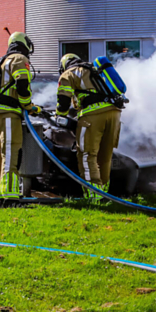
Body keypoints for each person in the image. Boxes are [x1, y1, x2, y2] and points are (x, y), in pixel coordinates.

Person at [57, 53, 121, 201]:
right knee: (105, 156)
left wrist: (59, 114)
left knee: (87, 155)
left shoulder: (68, 74)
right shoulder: (94, 69)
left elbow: (63, 101)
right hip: (114, 114)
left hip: (92, 115)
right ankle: (104, 194)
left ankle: (93, 195)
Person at [0, 32, 41, 205]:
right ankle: (11, 196)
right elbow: (22, 84)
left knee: (1, 153)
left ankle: (1, 193)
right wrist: (28, 105)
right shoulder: (19, 58)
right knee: (11, 153)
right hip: (10, 112)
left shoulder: (4, 60)